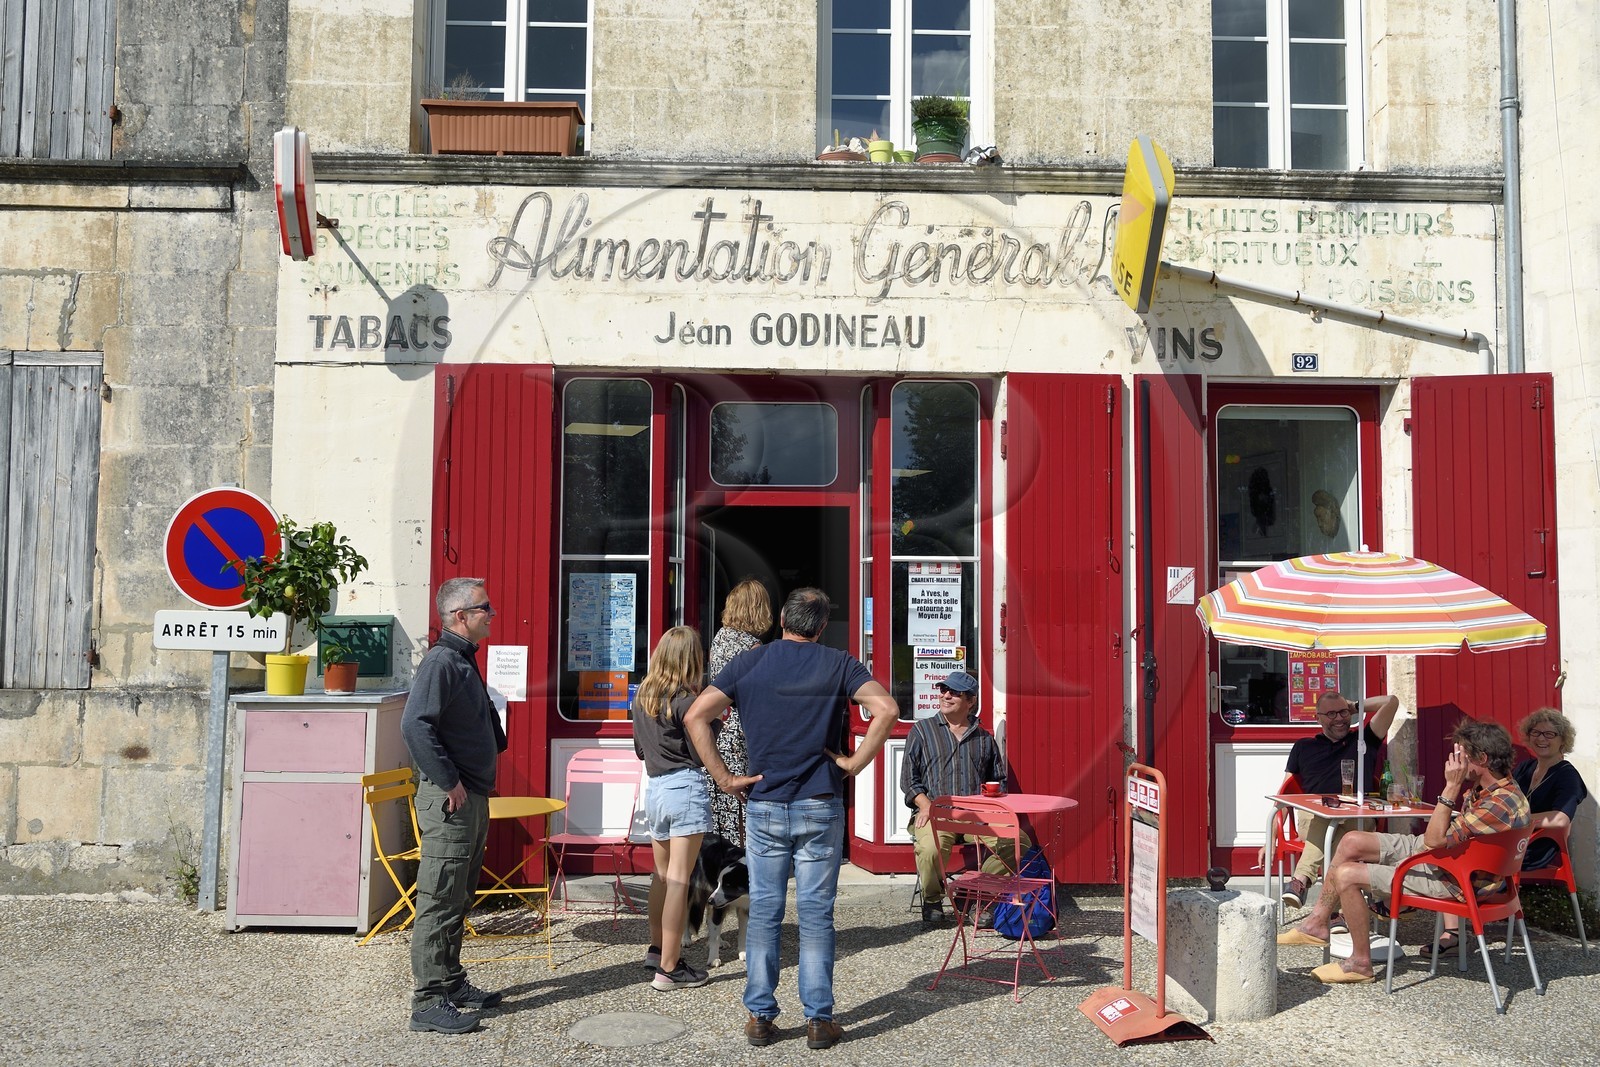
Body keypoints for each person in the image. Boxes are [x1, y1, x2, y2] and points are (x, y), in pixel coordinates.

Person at [684, 588, 899, 1051]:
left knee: (764, 910)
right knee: (817, 914)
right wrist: (854, 763)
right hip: (820, 801)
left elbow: (697, 717)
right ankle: (819, 1019)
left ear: (782, 618)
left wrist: (723, 777)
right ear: (821, 627)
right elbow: (887, 710)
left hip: (765, 802)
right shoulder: (839, 663)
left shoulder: (750, 662)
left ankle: (760, 1016)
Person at [1278, 719, 1529, 983]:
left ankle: (1360, 963)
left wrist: (1451, 787)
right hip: (1446, 859)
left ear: (1482, 758)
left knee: (1347, 875)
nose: (1455, 761)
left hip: (1453, 879)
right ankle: (1317, 923)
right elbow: (1439, 840)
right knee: (1352, 840)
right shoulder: (1493, 790)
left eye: (1461, 755)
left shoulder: (1498, 804)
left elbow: (1434, 841)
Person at [399, 577, 509, 1034]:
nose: (492, 614)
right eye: (485, 608)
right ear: (461, 616)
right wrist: (449, 781)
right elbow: (414, 726)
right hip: (452, 801)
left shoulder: (462, 660)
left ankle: (451, 981)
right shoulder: (442, 662)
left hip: (470, 797)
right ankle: (427, 1002)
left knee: (458, 896)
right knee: (440, 897)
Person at [1433, 707, 1588, 950]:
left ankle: (1452, 929)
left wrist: (1516, 820)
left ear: (1563, 740)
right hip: (1505, 837)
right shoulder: (1527, 768)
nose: (1541, 739)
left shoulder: (1568, 776)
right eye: (1536, 732)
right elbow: (1499, 796)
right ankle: (1454, 930)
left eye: (1550, 734)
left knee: (1459, 850)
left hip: (1533, 847)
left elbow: (1560, 819)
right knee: (1457, 844)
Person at [901, 669, 1029, 925]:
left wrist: (994, 801)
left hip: (976, 815)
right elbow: (908, 780)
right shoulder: (922, 731)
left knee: (1018, 841)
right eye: (944, 690)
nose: (946, 696)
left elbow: (998, 781)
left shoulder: (984, 739)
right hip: (936, 812)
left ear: (970, 701)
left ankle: (974, 894)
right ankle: (933, 898)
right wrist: (925, 805)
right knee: (929, 849)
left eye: (954, 693)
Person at [633, 626, 714, 990]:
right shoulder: (686, 701)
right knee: (682, 879)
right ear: (691, 659)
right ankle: (669, 967)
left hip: (654, 787)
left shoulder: (643, 697)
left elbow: (639, 749)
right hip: (684, 786)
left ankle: (656, 949)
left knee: (662, 876)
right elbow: (700, 754)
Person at [1273, 691, 1400, 908]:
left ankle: (1300, 880)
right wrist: (1271, 837)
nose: (1339, 718)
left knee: (1348, 837)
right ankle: (1335, 913)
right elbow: (1286, 795)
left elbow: (1391, 702)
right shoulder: (1304, 746)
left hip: (1356, 816)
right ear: (1318, 718)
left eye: (1343, 712)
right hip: (1314, 817)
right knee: (1329, 822)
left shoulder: (1363, 739)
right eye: (1331, 714)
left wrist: (1354, 705)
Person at [702, 578, 773, 846]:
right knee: (744, 794)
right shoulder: (753, 647)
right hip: (742, 729)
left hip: (719, 726)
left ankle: (723, 855)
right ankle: (744, 856)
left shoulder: (719, 638)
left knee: (723, 798)